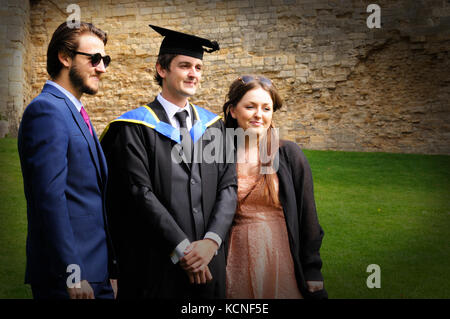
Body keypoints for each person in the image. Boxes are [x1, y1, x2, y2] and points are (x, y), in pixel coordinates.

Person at [100, 25, 237, 299]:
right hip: (155, 264)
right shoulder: (133, 127)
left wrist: (211, 242)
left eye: (198, 67)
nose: (193, 74)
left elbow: (229, 187)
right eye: (185, 66)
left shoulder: (214, 126)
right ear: (162, 69)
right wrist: (183, 249)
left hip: (210, 261)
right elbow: (139, 194)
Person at [18, 21, 117, 299]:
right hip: (71, 280)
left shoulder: (73, 112)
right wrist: (72, 272)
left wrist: (109, 271)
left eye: (105, 59)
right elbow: (49, 199)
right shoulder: (46, 111)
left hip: (95, 273)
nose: (102, 68)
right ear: (64, 57)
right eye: (94, 59)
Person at [222, 75, 327, 299]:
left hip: (280, 252)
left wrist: (312, 269)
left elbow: (308, 215)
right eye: (250, 107)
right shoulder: (221, 157)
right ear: (233, 110)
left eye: (266, 108)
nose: (259, 115)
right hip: (236, 253)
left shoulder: (288, 154)